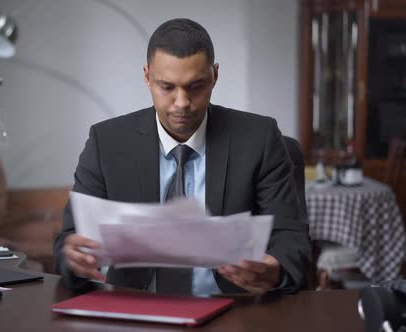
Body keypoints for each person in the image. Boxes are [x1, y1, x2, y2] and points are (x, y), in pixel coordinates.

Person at [54, 18, 311, 295]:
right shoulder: (106, 143)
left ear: (215, 75)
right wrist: (73, 256)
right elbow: (69, 239)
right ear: (146, 76)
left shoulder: (259, 138)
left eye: (195, 86)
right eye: (167, 87)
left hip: (231, 307)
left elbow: (291, 239)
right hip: (134, 305)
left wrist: (275, 269)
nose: (182, 103)